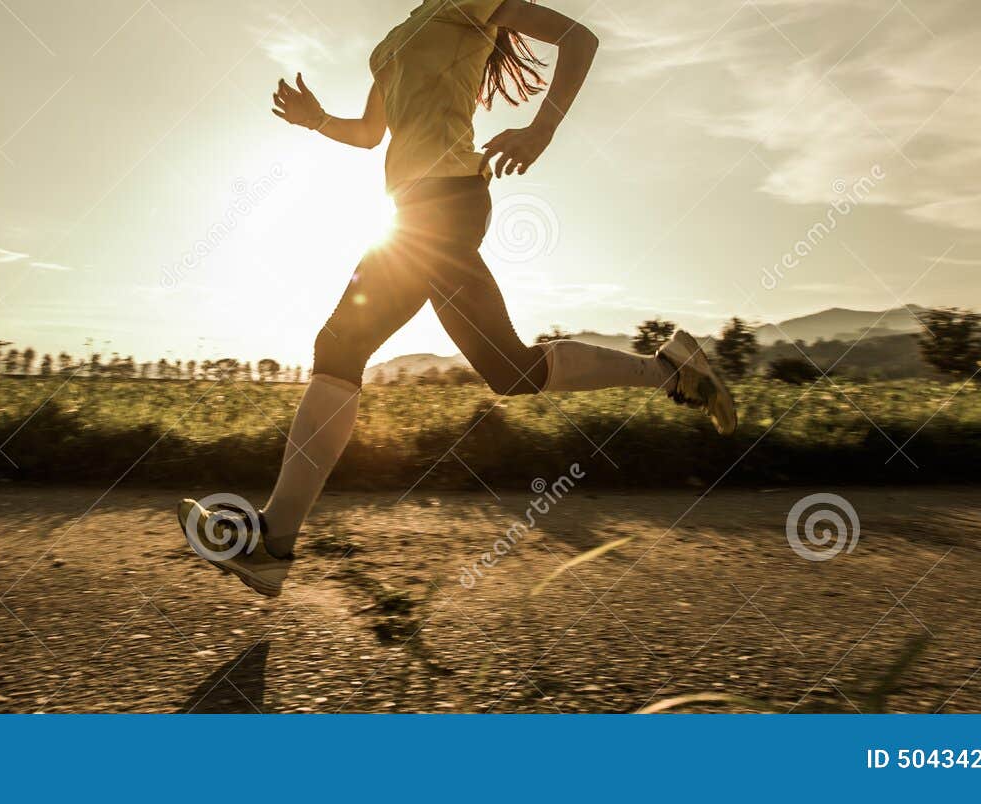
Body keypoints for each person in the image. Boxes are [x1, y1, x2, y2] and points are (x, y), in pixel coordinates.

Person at [180, 0, 736, 597]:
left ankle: (274, 541)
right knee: (510, 369)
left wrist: (540, 128)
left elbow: (579, 38)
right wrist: (318, 120)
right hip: (415, 207)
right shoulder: (396, 37)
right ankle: (667, 369)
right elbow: (370, 135)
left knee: (340, 343)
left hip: (444, 201)